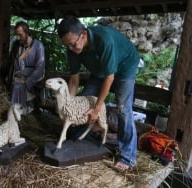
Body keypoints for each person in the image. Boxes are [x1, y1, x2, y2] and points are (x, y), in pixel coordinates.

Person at [57, 16, 140, 170]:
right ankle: (81, 136)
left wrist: (97, 109)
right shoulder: (72, 47)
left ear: (83, 34)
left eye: (73, 44)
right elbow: (74, 80)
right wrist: (69, 104)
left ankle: (128, 157)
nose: (70, 48)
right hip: (101, 70)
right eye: (67, 45)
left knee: (123, 108)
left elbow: (110, 77)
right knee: (84, 101)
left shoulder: (104, 40)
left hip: (124, 67)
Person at [8, 21, 45, 113]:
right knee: (16, 82)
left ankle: (26, 108)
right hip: (22, 72)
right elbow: (15, 66)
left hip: (36, 72)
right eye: (17, 35)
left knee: (20, 84)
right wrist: (21, 57)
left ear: (27, 32)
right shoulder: (17, 45)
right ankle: (16, 109)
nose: (18, 37)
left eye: (20, 35)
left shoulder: (38, 45)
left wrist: (28, 82)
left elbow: (40, 67)